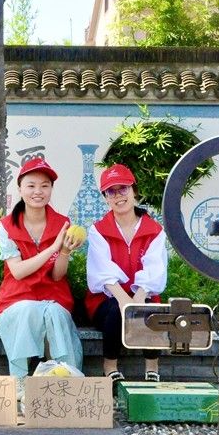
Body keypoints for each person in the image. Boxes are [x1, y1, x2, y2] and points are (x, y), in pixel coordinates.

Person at [0, 157, 85, 393]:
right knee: (27, 310)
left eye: (45, 186)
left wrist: (64, 251)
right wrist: (53, 248)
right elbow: (17, 271)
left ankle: (65, 380)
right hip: (17, 297)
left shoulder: (62, 223)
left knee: (54, 313)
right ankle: (20, 382)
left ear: (51, 189)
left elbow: (57, 276)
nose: (38, 191)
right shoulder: (6, 225)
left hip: (53, 294)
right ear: (20, 188)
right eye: (31, 185)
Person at [86, 163, 168, 384]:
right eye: (111, 191)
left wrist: (138, 298)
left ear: (134, 191)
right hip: (106, 300)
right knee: (116, 310)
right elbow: (101, 270)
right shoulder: (98, 230)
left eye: (123, 188)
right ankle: (110, 366)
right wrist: (125, 301)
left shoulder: (154, 230)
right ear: (105, 198)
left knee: (149, 309)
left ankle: (152, 366)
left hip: (144, 294)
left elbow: (155, 268)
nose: (118, 196)